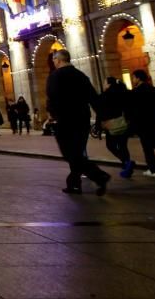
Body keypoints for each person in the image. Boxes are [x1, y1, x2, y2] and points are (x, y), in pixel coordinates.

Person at [45, 49, 110, 195]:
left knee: (70, 154)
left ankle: (100, 176)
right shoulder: (80, 75)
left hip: (65, 120)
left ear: (59, 60)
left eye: (54, 60)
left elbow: (51, 97)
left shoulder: (54, 76)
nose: (54, 62)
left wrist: (51, 115)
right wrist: (104, 118)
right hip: (82, 120)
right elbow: (93, 97)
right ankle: (74, 184)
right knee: (77, 152)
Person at [97, 77, 134, 178]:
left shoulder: (104, 96)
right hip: (123, 123)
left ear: (109, 84)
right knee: (123, 145)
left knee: (111, 145)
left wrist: (99, 126)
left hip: (111, 125)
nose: (104, 85)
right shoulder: (122, 93)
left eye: (105, 83)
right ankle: (126, 166)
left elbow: (100, 112)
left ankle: (126, 163)